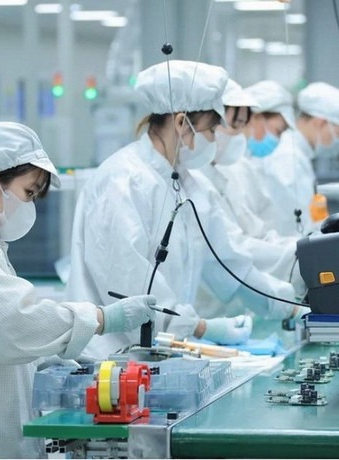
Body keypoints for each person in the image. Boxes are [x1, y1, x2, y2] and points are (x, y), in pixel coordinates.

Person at [0, 122, 156, 458]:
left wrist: (49, 356)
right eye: (28, 193)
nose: (30, 206)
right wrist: (101, 319)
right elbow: (15, 322)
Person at [67, 61, 298, 361]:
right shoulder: (122, 182)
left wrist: (289, 305)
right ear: (181, 123)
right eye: (211, 130)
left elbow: (230, 265)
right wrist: (198, 327)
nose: (213, 140)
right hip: (111, 360)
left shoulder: (191, 186)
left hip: (161, 353)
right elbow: (129, 286)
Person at [194, 79, 306, 312]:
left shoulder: (220, 173)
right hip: (208, 311)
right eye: (235, 125)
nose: (242, 135)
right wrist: (300, 260)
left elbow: (255, 233)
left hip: (234, 307)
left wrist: (303, 250)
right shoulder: (194, 180)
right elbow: (232, 251)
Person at [257, 82, 339, 236]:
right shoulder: (287, 158)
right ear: (320, 122)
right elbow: (293, 227)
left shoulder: (298, 156)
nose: (337, 143)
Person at [217, 80, 297, 241]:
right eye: (277, 131)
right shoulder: (228, 166)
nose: (277, 139)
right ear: (255, 117)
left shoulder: (247, 165)